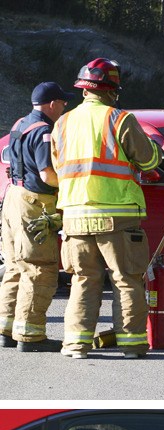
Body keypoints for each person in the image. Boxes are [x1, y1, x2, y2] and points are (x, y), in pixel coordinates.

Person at [51, 58, 160, 359]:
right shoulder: (120, 119)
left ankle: (75, 345)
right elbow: (149, 161)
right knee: (126, 280)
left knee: (83, 281)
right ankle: (132, 344)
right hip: (117, 215)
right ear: (112, 90)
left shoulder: (63, 122)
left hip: (73, 217)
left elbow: (56, 165)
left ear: (83, 90)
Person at [0, 80, 72, 352]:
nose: (64, 108)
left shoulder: (20, 123)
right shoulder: (44, 131)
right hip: (34, 203)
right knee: (39, 269)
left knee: (16, 267)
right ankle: (30, 336)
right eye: (63, 103)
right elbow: (46, 174)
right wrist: (69, 184)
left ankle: (6, 330)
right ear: (52, 104)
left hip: (13, 199)